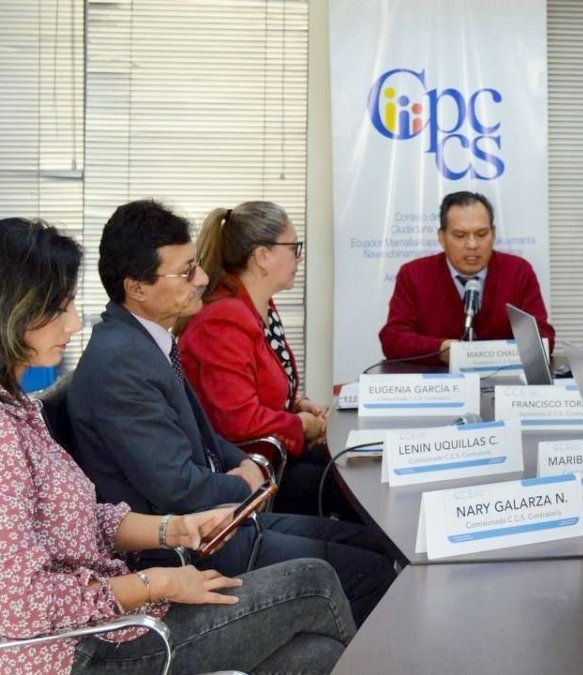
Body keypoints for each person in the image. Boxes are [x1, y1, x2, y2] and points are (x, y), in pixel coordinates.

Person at [0, 218, 355, 675]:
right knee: (314, 583)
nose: (74, 321)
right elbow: (22, 605)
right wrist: (157, 581)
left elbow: (73, 522)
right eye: (60, 308)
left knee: (317, 658)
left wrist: (172, 529)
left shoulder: (8, 405)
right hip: (71, 654)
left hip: (109, 621)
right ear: (7, 313)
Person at [67, 199, 395, 623]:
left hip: (224, 521)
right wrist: (245, 484)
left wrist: (241, 462)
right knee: (373, 573)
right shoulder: (120, 362)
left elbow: (203, 437)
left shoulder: (146, 341)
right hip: (193, 548)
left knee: (374, 544)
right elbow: (178, 489)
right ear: (137, 286)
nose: (202, 279)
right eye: (186, 272)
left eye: (196, 266)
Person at [177, 201, 331, 514]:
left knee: (350, 467)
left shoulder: (261, 308)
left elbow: (257, 385)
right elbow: (238, 420)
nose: (298, 258)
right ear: (262, 256)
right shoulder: (223, 320)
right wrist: (300, 425)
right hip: (245, 472)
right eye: (294, 247)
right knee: (342, 489)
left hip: (272, 457)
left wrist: (296, 404)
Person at [379, 190, 554, 363]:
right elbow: (393, 339)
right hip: (438, 385)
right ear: (441, 237)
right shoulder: (413, 275)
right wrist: (440, 350)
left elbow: (544, 339)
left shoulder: (518, 271)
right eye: (460, 235)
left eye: (481, 234)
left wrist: (488, 356)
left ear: (493, 233)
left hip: (504, 384)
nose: (472, 244)